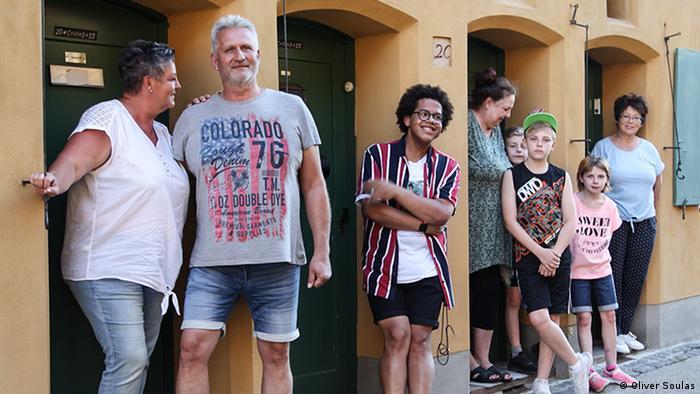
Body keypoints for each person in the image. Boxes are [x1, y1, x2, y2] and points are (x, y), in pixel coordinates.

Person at [172, 14, 332, 394]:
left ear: (259, 55)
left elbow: (313, 184)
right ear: (215, 59)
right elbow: (170, 189)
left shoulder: (292, 108)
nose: (239, 56)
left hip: (277, 259)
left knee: (277, 353)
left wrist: (322, 251)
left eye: (246, 48)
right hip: (211, 262)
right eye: (230, 49)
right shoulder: (192, 117)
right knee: (191, 348)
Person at [29, 40, 189, 393]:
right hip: (106, 266)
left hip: (154, 272)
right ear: (149, 83)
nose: (177, 86)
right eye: (172, 79)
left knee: (135, 361)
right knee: (129, 359)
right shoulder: (108, 119)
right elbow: (74, 161)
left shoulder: (163, 134)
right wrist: (55, 180)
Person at [356, 84, 460, 394]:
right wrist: (421, 224)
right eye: (424, 114)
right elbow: (373, 209)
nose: (431, 121)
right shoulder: (378, 154)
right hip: (384, 266)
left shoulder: (448, 166)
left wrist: (397, 192)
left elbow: (441, 215)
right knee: (397, 335)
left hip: (428, 269)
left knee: (420, 339)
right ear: (406, 119)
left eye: (438, 117)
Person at [501, 112, 592, 394]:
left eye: (546, 140)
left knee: (552, 320)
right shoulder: (511, 175)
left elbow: (571, 220)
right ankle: (578, 364)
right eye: (534, 139)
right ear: (525, 142)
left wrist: (554, 253)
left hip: (559, 255)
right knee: (538, 319)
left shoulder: (561, 176)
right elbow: (510, 221)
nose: (539, 144)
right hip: (528, 257)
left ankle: (542, 382)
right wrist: (541, 253)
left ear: (553, 144)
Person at [591, 93, 663, 354]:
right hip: (614, 222)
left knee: (635, 277)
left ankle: (624, 330)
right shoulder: (603, 147)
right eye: (626, 116)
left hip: (644, 221)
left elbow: (657, 184)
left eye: (636, 117)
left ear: (641, 121)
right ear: (617, 118)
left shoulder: (649, 149)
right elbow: (594, 181)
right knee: (613, 277)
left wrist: (652, 213)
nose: (631, 121)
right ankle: (614, 330)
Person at [570, 155, 637, 392]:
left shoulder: (610, 206)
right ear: (581, 178)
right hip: (578, 271)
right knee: (585, 318)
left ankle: (611, 367)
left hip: (602, 270)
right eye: (590, 176)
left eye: (601, 176)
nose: (595, 181)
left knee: (609, 316)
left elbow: (612, 235)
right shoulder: (573, 202)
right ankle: (588, 369)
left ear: (607, 179)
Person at [467, 67, 516, 383]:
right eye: (504, 108)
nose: (507, 115)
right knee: (468, 292)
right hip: (469, 227)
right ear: (487, 102)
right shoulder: (465, 126)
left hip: (494, 230)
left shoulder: (495, 131)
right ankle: (468, 360)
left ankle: (483, 360)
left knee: (488, 294)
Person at [500, 126, 537, 375]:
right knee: (513, 298)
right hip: (509, 245)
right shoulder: (505, 173)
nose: (518, 150)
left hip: (534, 246)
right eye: (512, 145)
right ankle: (515, 350)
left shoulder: (534, 172)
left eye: (522, 145)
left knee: (531, 298)